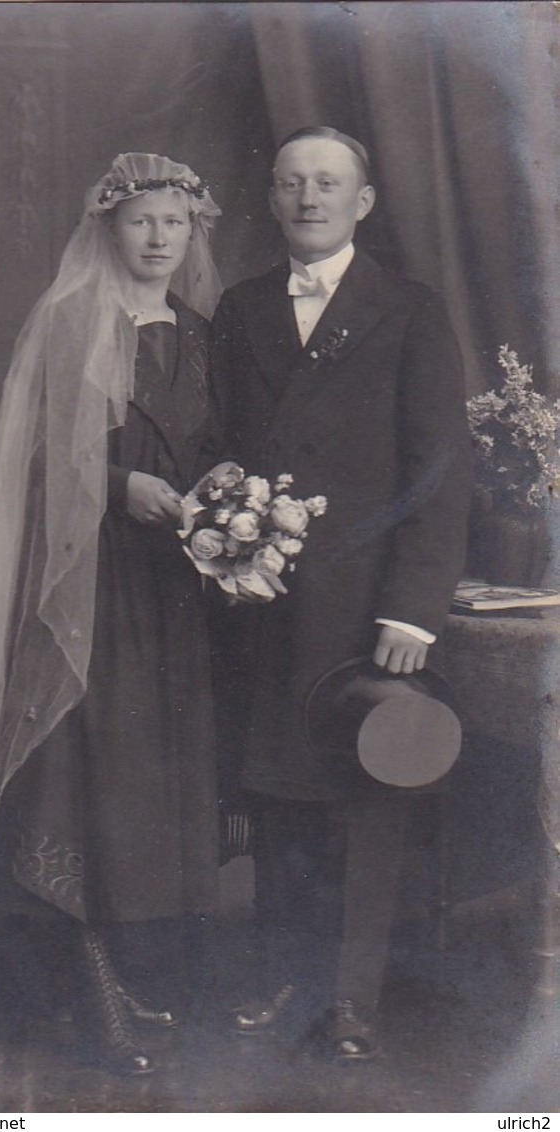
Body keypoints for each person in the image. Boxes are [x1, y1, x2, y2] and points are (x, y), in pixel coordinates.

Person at [0, 153, 223, 1076]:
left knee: (144, 789)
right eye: (141, 222)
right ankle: (86, 994)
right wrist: (119, 483)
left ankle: (120, 977)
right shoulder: (71, 320)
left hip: (175, 595)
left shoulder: (202, 333)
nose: (160, 238)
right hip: (88, 587)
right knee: (84, 775)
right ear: (106, 230)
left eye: (176, 222)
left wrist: (218, 499)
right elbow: (22, 464)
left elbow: (217, 446)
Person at [209, 126, 473, 1060]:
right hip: (267, 596)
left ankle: (351, 998)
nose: (308, 198)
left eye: (328, 184)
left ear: (363, 202)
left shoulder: (409, 309)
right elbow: (224, 453)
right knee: (278, 788)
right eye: (291, 183)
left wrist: (414, 608)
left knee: (366, 791)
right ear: (273, 198)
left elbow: (439, 471)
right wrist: (228, 555)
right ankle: (285, 972)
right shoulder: (239, 309)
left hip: (367, 608)